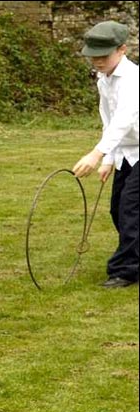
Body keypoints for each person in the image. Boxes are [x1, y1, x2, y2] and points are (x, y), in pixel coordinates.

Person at [72, 21, 139, 288]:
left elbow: (124, 119)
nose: (97, 61)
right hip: (126, 151)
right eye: (93, 56)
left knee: (131, 208)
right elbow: (108, 120)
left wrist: (96, 154)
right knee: (117, 209)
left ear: (122, 50)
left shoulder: (133, 80)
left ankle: (125, 270)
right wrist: (110, 159)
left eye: (103, 56)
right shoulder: (104, 80)